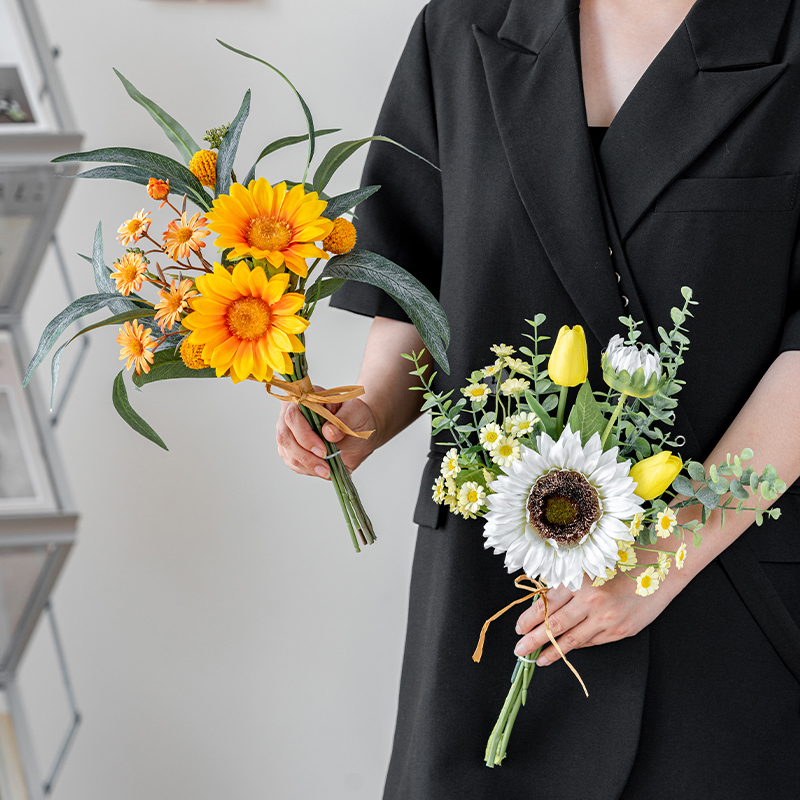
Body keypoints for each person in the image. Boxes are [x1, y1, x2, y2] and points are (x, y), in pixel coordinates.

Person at [277, 0, 800, 796]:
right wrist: (370, 411)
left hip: (719, 589)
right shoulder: (463, 27)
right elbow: (416, 275)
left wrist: (657, 564)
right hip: (491, 599)